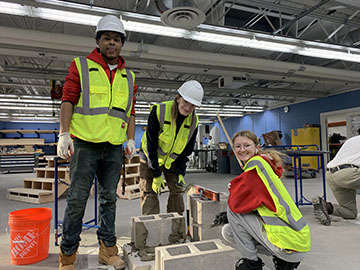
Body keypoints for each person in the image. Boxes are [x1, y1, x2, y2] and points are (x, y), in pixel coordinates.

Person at [56, 15, 137, 270]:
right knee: (77, 199)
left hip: (113, 146)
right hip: (85, 144)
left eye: (116, 39)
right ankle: (67, 255)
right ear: (99, 41)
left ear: (121, 43)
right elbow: (68, 99)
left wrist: (132, 138)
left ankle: (107, 249)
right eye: (107, 39)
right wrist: (64, 133)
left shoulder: (129, 76)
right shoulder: (81, 66)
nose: (111, 43)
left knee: (108, 199)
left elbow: (131, 112)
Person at [218, 130, 310, 270]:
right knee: (229, 231)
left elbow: (235, 202)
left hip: (289, 246)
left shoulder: (255, 167)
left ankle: (251, 264)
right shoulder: (264, 162)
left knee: (232, 210)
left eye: (247, 145)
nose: (242, 150)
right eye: (237, 146)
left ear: (257, 147)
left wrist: (230, 214)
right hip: (298, 241)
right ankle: (283, 261)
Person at [139, 80, 203, 215]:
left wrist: (180, 172)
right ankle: (152, 232)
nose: (188, 108)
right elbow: (151, 146)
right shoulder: (159, 111)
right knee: (150, 192)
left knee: (177, 191)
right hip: (150, 156)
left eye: (193, 106)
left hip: (172, 160)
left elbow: (186, 151)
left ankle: (176, 233)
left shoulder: (194, 122)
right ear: (178, 98)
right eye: (186, 102)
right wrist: (156, 174)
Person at [313, 133, 360, 226]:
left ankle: (326, 206)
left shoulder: (351, 140)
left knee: (350, 213)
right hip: (348, 174)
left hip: (330, 175)